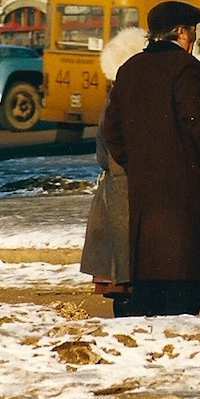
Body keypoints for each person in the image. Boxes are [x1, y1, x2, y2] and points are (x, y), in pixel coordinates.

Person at [102, 0, 200, 317]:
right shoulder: (186, 67)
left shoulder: (128, 69)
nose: (193, 42)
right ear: (181, 33)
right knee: (183, 260)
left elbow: (111, 130)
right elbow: (196, 114)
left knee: (149, 261)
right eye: (193, 34)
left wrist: (137, 163)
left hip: (144, 187)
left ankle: (148, 324)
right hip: (182, 185)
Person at [80, 25, 147, 317]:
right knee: (128, 268)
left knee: (123, 270)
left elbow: (101, 154)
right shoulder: (128, 100)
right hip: (125, 192)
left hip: (117, 189)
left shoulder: (114, 97)